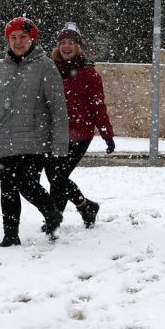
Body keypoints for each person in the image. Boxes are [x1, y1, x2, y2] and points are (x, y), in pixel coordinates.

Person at [0, 16, 71, 247]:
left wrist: (59, 145)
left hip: (33, 140)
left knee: (27, 185)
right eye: (13, 38)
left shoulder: (45, 66)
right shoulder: (1, 69)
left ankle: (52, 213)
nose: (17, 42)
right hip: (5, 140)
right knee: (7, 190)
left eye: (22, 37)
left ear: (32, 38)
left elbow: (58, 107)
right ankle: (10, 236)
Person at [44, 23, 113, 227]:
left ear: (78, 46)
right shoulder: (50, 69)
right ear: (57, 45)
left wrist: (106, 133)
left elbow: (97, 106)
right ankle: (85, 207)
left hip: (80, 134)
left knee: (58, 177)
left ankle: (54, 219)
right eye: (63, 42)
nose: (66, 46)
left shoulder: (89, 73)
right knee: (54, 175)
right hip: (55, 133)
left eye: (71, 43)